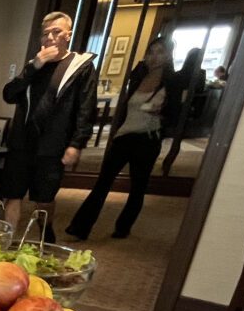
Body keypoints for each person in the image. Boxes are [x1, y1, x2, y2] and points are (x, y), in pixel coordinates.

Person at [65, 38, 180, 241]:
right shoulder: (138, 76)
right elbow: (126, 107)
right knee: (103, 182)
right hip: (123, 136)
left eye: (160, 52)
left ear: (169, 55)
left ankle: (123, 227)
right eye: (151, 51)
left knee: (138, 187)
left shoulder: (172, 81)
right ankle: (80, 227)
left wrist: (160, 113)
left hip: (147, 139)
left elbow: (175, 115)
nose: (154, 56)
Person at [0, 11, 98, 240]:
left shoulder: (81, 67)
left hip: (53, 145)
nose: (50, 37)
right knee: (12, 195)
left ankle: (46, 235)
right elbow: (9, 95)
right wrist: (34, 67)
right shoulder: (34, 65)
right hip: (22, 142)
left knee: (43, 198)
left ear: (68, 35)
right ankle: (6, 242)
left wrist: (76, 144)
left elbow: (86, 108)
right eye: (46, 33)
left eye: (56, 32)